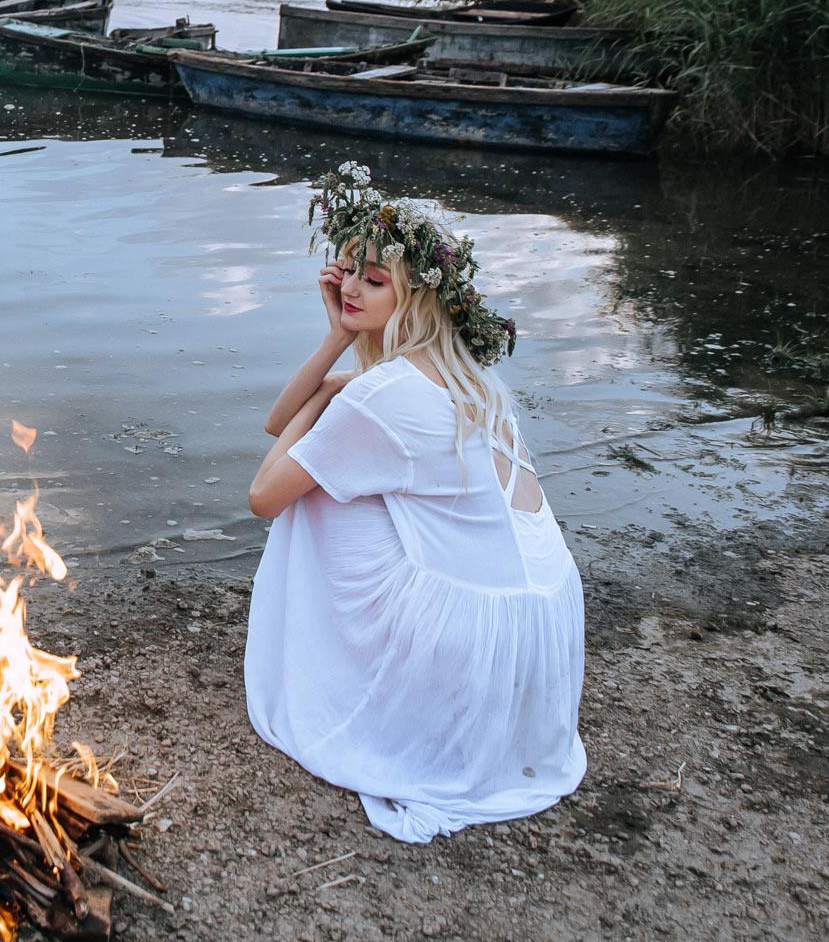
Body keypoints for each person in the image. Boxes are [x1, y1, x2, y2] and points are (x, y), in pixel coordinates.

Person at [244, 162, 585, 842]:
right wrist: (341, 338)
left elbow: (262, 495)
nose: (350, 288)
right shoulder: (468, 377)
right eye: (348, 272)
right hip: (539, 631)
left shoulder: (385, 395)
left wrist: (330, 402)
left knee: (312, 497)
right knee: (327, 466)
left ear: (417, 301)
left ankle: (330, 678)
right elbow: (281, 423)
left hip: (475, 640)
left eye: (375, 282)